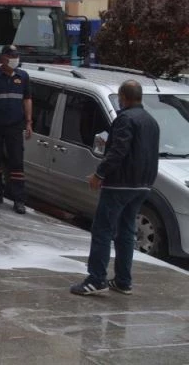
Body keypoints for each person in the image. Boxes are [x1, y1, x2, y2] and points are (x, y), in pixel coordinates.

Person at [70, 80, 160, 296]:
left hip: (120, 184)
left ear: (123, 97)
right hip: (143, 185)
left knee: (102, 230)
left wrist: (99, 174)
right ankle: (123, 280)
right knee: (126, 231)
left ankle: (96, 279)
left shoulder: (126, 119)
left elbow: (118, 150)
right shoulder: (151, 121)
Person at [0, 45, 32, 214]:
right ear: (3, 58)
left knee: (16, 161)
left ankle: (19, 200)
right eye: (11, 56)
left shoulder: (23, 77)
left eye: (16, 56)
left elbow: (27, 100)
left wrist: (29, 122)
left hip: (15, 125)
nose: (14, 59)